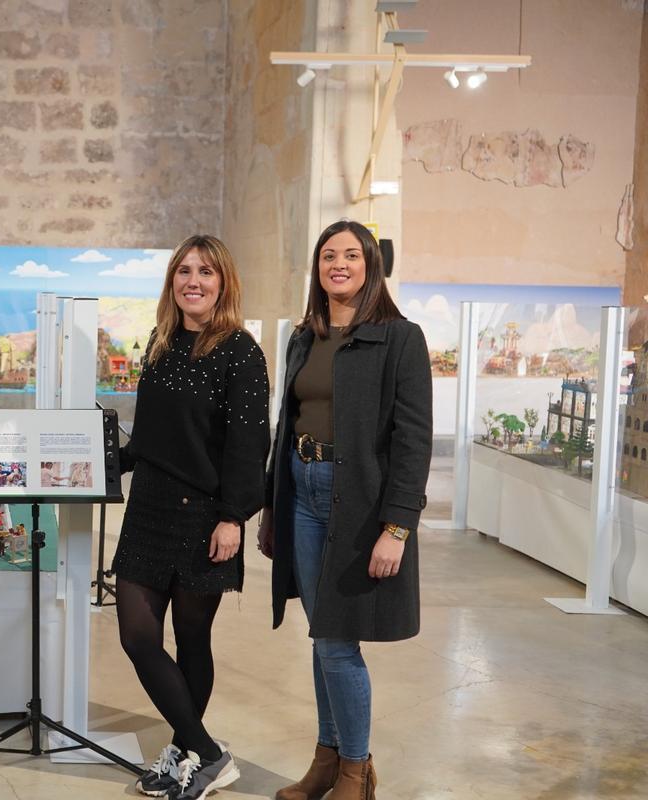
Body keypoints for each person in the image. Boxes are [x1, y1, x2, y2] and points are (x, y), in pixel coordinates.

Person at [258, 220, 432, 800]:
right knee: (323, 632)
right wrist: (272, 506)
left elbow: (413, 440)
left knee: (337, 639)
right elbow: (286, 427)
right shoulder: (303, 337)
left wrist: (397, 527)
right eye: (328, 255)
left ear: (369, 266)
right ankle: (328, 759)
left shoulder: (400, 338)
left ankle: (355, 772)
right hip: (301, 489)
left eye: (350, 255)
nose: (338, 264)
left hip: (358, 501)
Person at [113, 234, 270, 800]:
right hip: (149, 508)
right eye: (184, 270)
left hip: (204, 516)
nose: (193, 280)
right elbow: (154, 435)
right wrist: (98, 460)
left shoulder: (240, 351)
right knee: (136, 635)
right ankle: (206, 751)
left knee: (192, 639)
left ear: (223, 282)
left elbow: (250, 446)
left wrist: (234, 518)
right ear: (172, 281)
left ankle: (185, 758)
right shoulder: (160, 342)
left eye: (205, 271)